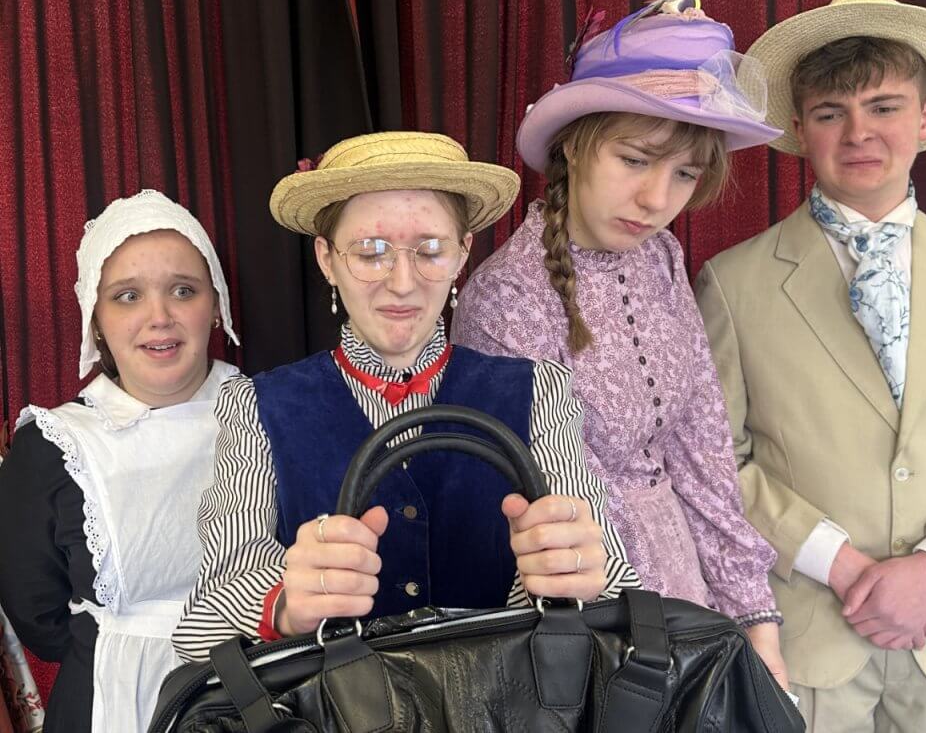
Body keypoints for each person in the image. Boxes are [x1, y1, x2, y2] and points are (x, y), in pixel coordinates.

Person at [172, 132, 640, 661]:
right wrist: (283, 603)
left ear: (462, 253)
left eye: (430, 251)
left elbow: (616, 582)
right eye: (371, 252)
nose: (402, 283)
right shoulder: (255, 405)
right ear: (326, 259)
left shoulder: (540, 391)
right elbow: (199, 629)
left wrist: (566, 571)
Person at [693, 0, 926, 732]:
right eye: (831, 112)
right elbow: (715, 464)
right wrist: (841, 563)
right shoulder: (734, 282)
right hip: (808, 640)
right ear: (801, 130)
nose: (860, 132)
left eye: (884, 105)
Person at [450, 0, 789, 686]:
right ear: (575, 141)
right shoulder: (504, 298)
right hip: (588, 626)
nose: (657, 197)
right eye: (635, 158)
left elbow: (703, 452)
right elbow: (569, 496)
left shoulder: (661, 256)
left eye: (685, 174)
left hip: (687, 600)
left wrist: (756, 623)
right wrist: (665, 646)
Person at [0, 190, 240, 732]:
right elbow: (41, 618)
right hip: (111, 703)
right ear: (96, 319)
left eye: (183, 290)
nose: (159, 317)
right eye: (127, 296)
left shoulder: (272, 410)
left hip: (266, 694)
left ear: (216, 305)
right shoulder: (54, 444)